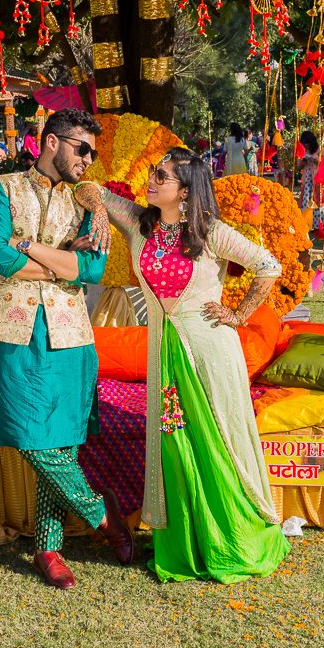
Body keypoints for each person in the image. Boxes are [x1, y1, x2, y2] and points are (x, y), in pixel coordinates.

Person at [74, 148, 290, 584]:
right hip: (165, 353)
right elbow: (86, 188)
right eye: (153, 173)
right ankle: (186, 541)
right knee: (174, 443)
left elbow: (269, 266)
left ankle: (233, 538)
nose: (151, 182)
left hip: (209, 349)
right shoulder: (140, 221)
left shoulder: (210, 233)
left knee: (220, 440)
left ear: (186, 191)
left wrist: (239, 313)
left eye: (161, 176)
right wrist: (99, 211)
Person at [0, 108, 132, 590]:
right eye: (82, 148)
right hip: (13, 331)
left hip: (70, 333)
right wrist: (57, 262)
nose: (89, 159)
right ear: (50, 142)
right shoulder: (3, 189)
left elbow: (92, 270)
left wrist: (29, 246)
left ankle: (48, 547)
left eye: (93, 151)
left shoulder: (87, 205)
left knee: (59, 439)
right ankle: (102, 514)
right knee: (26, 433)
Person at [296, 130, 320, 221]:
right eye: (304, 144)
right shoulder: (302, 151)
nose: (306, 146)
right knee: (306, 199)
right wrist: (303, 160)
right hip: (307, 179)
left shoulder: (319, 150)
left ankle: (317, 222)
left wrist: (314, 159)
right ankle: (306, 221)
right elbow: (299, 166)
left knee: (316, 199)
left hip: (317, 178)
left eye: (307, 143)